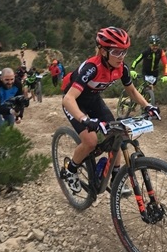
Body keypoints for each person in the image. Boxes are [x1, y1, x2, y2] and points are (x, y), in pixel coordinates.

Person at [61, 26, 160, 193]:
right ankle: (70, 170)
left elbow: (132, 91)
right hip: (76, 102)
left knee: (119, 134)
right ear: (103, 51)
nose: (121, 57)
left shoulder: (122, 68)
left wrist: (147, 106)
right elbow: (68, 99)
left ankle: (115, 176)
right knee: (90, 141)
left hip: (93, 100)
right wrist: (84, 119)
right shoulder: (92, 68)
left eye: (124, 52)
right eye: (116, 52)